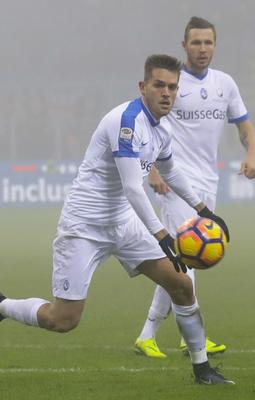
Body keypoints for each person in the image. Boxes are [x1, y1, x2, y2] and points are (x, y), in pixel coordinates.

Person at [0, 54, 234, 385]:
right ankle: (3, 305)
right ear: (143, 86)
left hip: (125, 223)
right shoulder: (126, 121)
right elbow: (133, 188)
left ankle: (203, 369)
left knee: (181, 285)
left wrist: (204, 210)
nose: (167, 93)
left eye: (172, 87)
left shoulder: (163, 127)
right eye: (159, 85)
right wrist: (162, 234)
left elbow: (170, 170)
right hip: (85, 226)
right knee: (63, 319)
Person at [133, 16, 255, 359]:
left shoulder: (225, 84)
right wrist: (154, 171)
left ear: (215, 45)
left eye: (208, 43)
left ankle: (148, 335)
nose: (202, 49)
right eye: (196, 43)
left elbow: (244, 123)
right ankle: (193, 337)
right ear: (184, 45)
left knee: (183, 260)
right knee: (184, 259)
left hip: (208, 182)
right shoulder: (172, 84)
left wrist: (252, 152)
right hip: (177, 181)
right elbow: (149, 124)